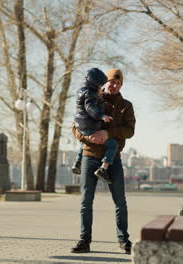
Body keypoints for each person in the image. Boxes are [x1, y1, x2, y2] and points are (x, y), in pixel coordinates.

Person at [70, 68, 136, 254]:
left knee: (120, 202)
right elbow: (75, 127)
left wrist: (109, 133)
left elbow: (129, 130)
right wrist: (88, 139)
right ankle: (84, 241)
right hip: (89, 156)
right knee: (85, 201)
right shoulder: (91, 96)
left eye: (118, 82)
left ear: (121, 85)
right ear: (103, 83)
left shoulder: (126, 106)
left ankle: (124, 240)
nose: (113, 85)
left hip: (113, 159)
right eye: (110, 82)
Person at [71, 68, 118, 184]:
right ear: (94, 84)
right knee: (113, 145)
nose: (100, 88)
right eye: (100, 85)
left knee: (83, 141)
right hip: (89, 125)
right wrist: (102, 116)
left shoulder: (81, 91)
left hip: (80, 124)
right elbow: (90, 108)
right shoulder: (91, 95)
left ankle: (77, 162)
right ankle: (103, 169)